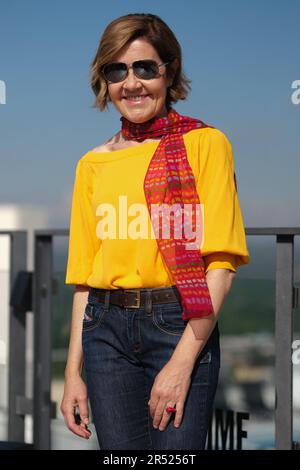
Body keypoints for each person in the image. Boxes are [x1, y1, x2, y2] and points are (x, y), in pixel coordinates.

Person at [60, 12, 250, 450]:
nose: (132, 83)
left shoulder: (206, 145)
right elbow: (85, 280)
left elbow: (221, 264)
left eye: (145, 68)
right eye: (116, 70)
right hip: (104, 331)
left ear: (169, 72)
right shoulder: (92, 164)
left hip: (179, 324)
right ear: (103, 80)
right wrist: (73, 373)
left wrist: (183, 363)